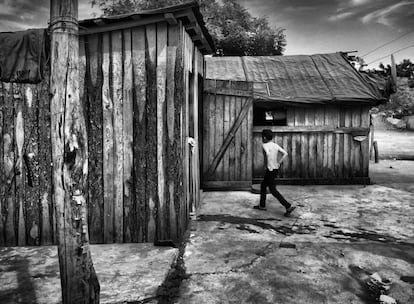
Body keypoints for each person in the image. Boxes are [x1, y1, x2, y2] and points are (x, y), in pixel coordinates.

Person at [254, 129, 296, 217]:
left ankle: (288, 206)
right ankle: (262, 205)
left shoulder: (264, 145)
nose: (262, 138)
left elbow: (268, 155)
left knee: (273, 190)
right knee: (263, 185)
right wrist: (278, 162)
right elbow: (285, 153)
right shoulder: (275, 145)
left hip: (270, 169)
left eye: (262, 137)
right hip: (275, 168)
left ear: (264, 138)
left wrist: (267, 166)